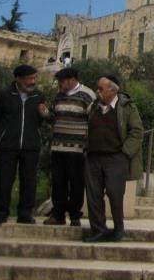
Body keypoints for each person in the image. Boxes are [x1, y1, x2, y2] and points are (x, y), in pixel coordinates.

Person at [0, 65, 50, 229]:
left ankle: (25, 214)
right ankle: (2, 214)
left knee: (29, 180)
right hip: (8, 145)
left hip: (30, 145)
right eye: (30, 78)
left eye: (35, 78)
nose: (33, 82)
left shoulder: (38, 96)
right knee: (5, 180)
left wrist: (44, 113)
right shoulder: (4, 95)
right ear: (19, 79)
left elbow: (43, 119)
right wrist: (4, 133)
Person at [83, 76, 143, 243]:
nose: (98, 91)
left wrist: (125, 153)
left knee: (114, 192)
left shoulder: (126, 108)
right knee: (93, 194)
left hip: (116, 156)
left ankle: (118, 228)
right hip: (94, 156)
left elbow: (137, 131)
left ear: (112, 90)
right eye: (98, 88)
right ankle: (98, 230)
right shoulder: (94, 107)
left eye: (101, 89)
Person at [43, 67, 95, 227]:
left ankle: (74, 215)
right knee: (58, 182)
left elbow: (93, 120)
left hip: (77, 149)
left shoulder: (87, 95)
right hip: (58, 147)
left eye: (62, 81)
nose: (59, 84)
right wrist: (44, 113)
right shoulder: (59, 96)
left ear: (72, 80)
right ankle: (58, 214)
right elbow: (53, 117)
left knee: (76, 183)